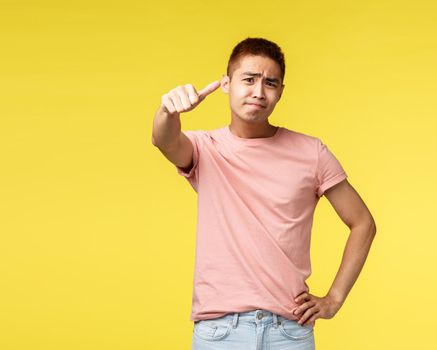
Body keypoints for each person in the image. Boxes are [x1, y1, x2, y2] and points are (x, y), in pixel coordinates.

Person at [151, 37, 377, 350]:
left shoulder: (311, 152)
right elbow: (164, 140)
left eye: (270, 82)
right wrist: (168, 110)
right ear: (226, 84)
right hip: (220, 332)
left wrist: (334, 299)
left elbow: (363, 222)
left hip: (289, 332)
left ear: (281, 91)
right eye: (249, 80)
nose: (259, 92)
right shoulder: (205, 148)